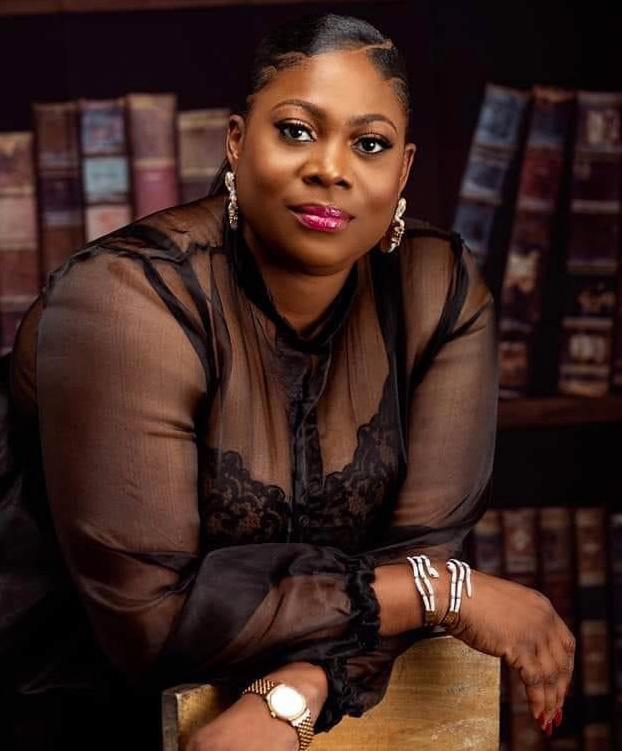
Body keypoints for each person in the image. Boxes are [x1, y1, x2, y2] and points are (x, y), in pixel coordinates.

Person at [7, 12, 574, 751]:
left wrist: (300, 688)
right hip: (72, 716)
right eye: (298, 131)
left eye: (369, 144)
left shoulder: (438, 288)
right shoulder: (126, 297)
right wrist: (443, 593)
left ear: (403, 171)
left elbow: (418, 556)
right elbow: (152, 624)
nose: (330, 168)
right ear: (237, 142)